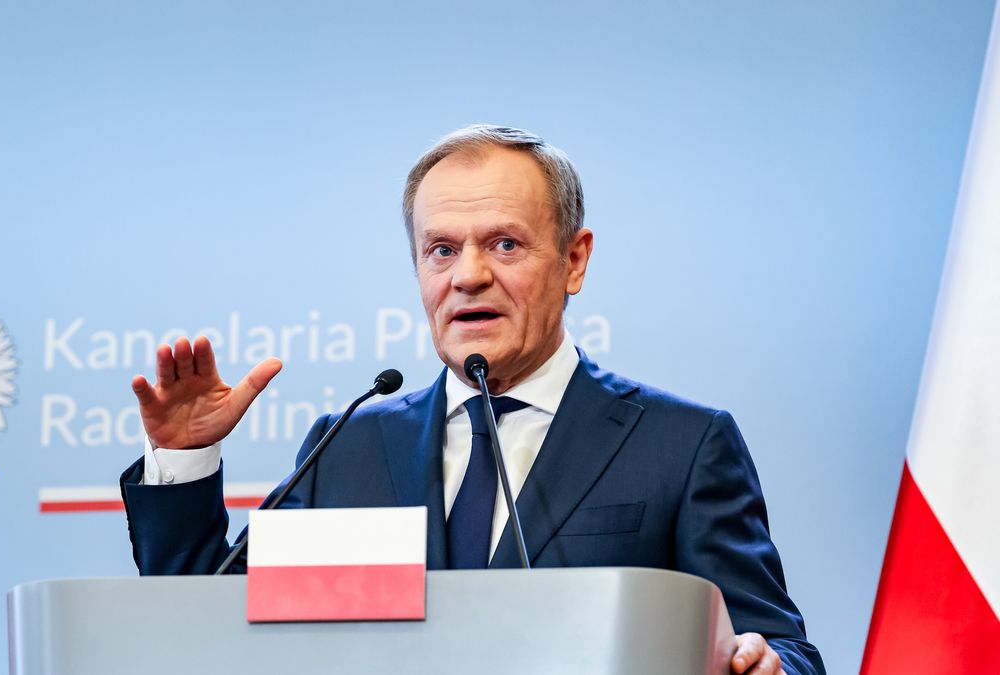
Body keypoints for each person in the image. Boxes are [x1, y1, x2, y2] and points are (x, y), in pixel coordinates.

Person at [120, 125, 824, 675]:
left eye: (505, 244)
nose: (470, 275)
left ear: (574, 260)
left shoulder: (682, 445)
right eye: (442, 250)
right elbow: (205, 630)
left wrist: (765, 663)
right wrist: (184, 459)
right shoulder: (350, 447)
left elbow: (780, 644)